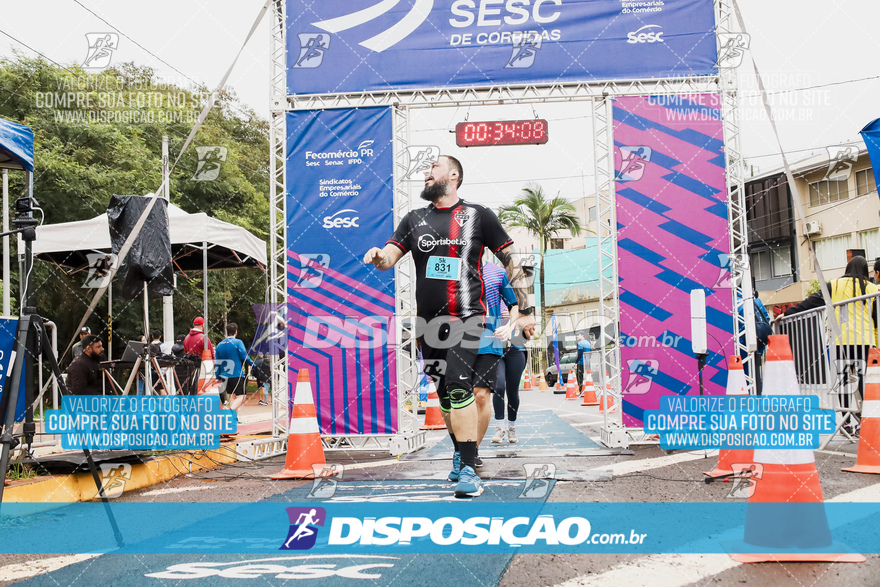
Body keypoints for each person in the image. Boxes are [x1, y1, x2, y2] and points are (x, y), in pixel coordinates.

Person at [363, 154, 535, 498]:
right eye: (426, 169)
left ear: (453, 176)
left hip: (466, 317)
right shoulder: (414, 219)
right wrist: (379, 257)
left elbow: (513, 260)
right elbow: (390, 256)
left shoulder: (479, 215)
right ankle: (461, 450)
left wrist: (526, 308)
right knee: (444, 397)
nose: (426, 173)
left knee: (460, 388)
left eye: (434, 168)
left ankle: (470, 469)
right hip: (428, 324)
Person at [782, 256, 878, 411]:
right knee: (863, 379)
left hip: (841, 340)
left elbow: (811, 302)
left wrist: (788, 313)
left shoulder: (834, 285)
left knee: (844, 379)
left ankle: (846, 419)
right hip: (865, 341)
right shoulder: (873, 289)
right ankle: (865, 417)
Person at [474, 261, 520, 457]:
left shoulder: (501, 281)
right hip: (489, 345)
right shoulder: (478, 293)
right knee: (497, 387)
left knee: (512, 390)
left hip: (515, 347)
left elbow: (525, 319)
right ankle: (498, 427)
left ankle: (511, 426)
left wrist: (512, 327)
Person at [215, 322, 256, 419]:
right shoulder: (238, 342)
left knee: (233, 397)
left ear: (226, 332)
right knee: (241, 397)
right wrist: (252, 364)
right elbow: (243, 356)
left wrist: (217, 376)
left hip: (224, 375)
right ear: (236, 332)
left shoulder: (219, 345)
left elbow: (217, 362)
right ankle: (228, 412)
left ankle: (234, 418)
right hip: (236, 374)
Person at [183, 316, 213, 396]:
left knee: (191, 389)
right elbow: (211, 354)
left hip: (189, 369)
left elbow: (186, 352)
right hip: (202, 368)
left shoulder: (186, 338)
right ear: (203, 325)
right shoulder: (204, 338)